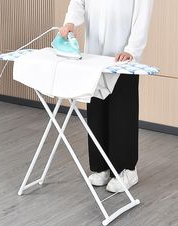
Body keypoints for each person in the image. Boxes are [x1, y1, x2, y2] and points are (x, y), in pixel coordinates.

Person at [60, 0, 154, 193]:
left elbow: (142, 16)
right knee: (97, 112)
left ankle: (126, 170)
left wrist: (132, 50)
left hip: (124, 57)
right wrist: (70, 21)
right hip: (95, 55)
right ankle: (101, 166)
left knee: (122, 113)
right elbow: (79, 2)